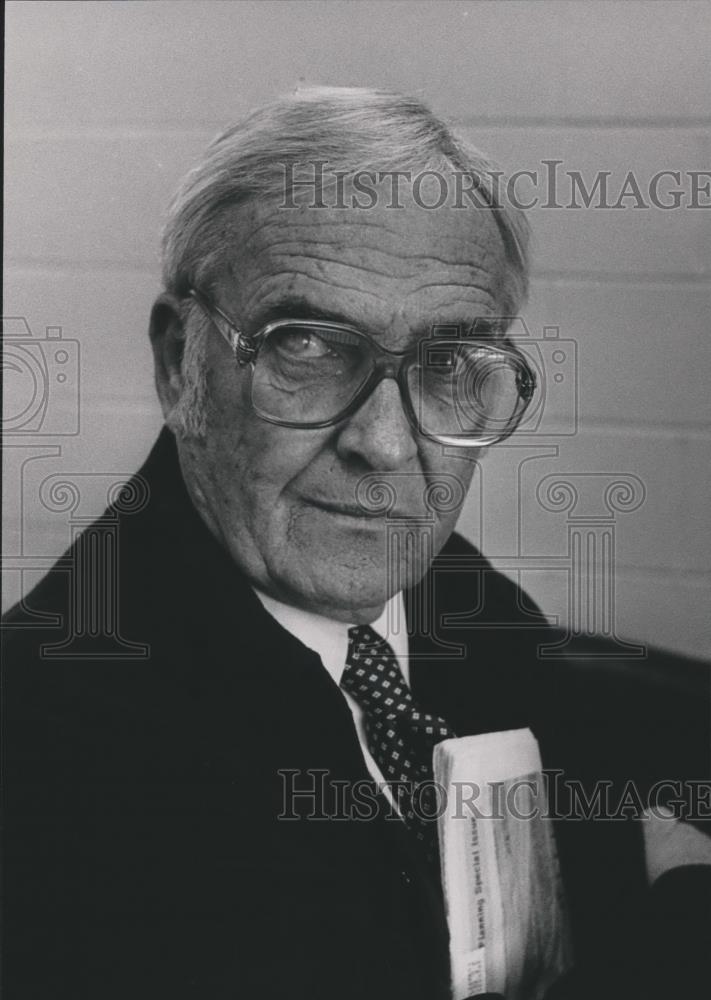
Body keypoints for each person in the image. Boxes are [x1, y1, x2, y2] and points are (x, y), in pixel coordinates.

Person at [2, 88, 708, 1000]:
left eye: (446, 364)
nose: (383, 442)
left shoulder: (472, 618)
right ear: (180, 362)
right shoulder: (45, 761)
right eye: (306, 346)